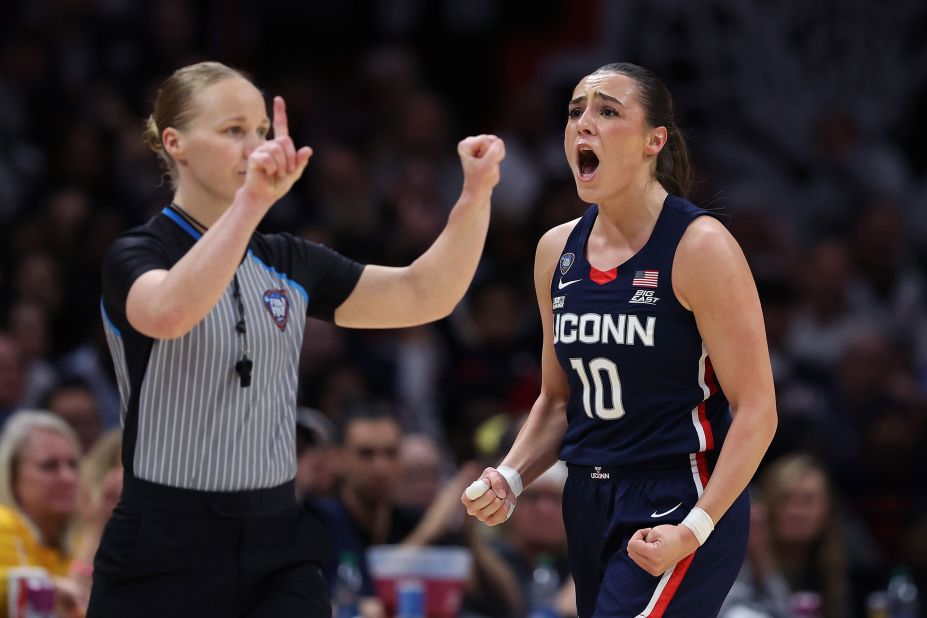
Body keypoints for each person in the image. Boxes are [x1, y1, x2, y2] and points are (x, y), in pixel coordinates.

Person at [91, 60, 504, 617]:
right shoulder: (135, 254)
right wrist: (251, 205)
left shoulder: (288, 260)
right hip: (164, 543)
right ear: (176, 143)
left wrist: (474, 197)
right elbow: (169, 314)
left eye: (261, 130)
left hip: (277, 541)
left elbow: (423, 294)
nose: (256, 147)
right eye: (233, 130)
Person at [462, 62, 778, 617]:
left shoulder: (700, 246)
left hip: (677, 494)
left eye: (608, 111)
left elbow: (757, 410)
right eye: (575, 111)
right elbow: (559, 400)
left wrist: (696, 527)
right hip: (586, 495)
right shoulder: (554, 252)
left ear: (654, 140)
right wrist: (510, 476)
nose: (584, 123)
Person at [0, 410, 100, 617]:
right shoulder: (3, 525)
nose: (68, 477)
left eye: (73, 465)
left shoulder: (75, 536)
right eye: (49, 466)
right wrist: (95, 529)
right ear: (13, 475)